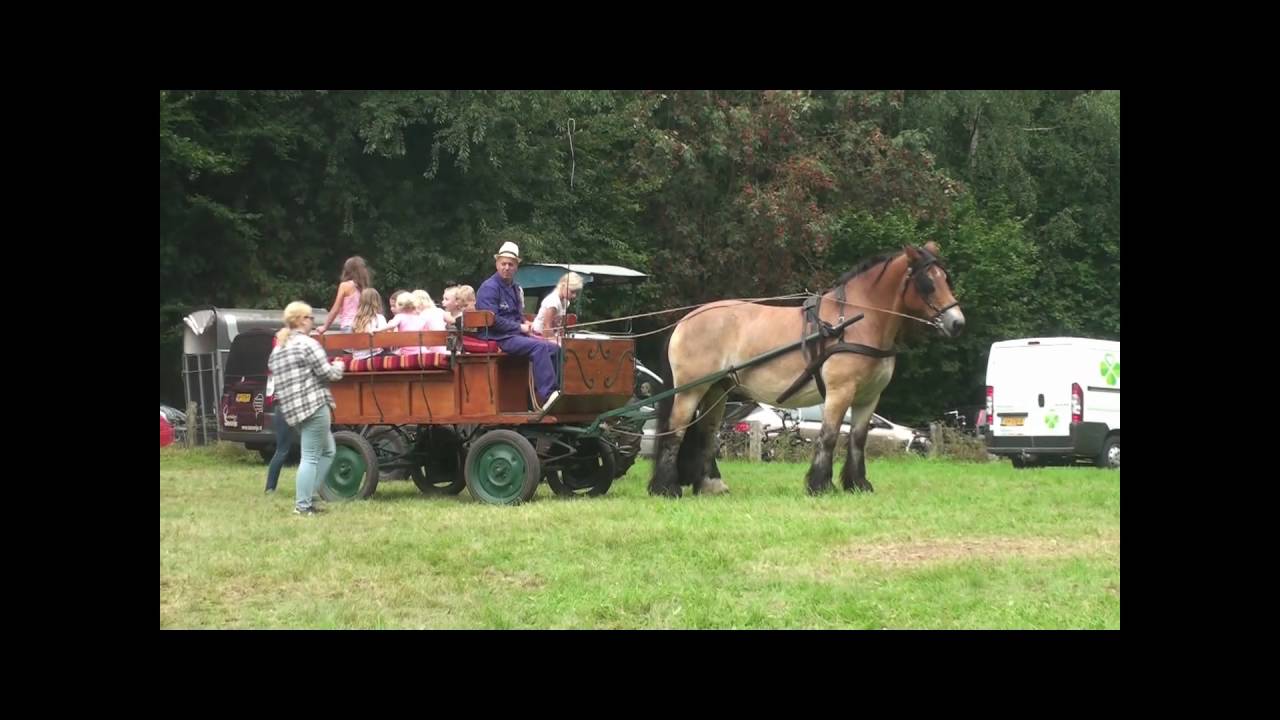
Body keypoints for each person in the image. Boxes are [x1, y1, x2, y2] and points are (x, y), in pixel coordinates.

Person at [267, 301, 345, 515]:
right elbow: (329, 374)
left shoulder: (278, 349)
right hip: (314, 406)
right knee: (310, 456)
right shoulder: (308, 344)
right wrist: (339, 364)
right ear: (301, 320)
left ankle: (309, 497)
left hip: (293, 411)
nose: (313, 321)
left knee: (328, 451)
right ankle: (302, 506)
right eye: (310, 317)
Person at [475, 241, 560, 411]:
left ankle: (558, 393)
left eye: (510, 264)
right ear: (497, 264)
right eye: (503, 264)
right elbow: (493, 320)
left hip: (513, 335)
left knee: (555, 349)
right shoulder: (489, 288)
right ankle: (548, 395)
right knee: (539, 348)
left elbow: (515, 314)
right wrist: (520, 328)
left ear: (516, 267)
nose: (506, 267)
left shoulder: (514, 288)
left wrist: (524, 322)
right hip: (498, 337)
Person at [317, 256, 371, 334]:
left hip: (349, 325)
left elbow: (335, 309)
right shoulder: (365, 288)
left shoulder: (345, 286)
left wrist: (325, 327)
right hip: (363, 327)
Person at [532, 271, 583, 342]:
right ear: (563, 285)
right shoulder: (553, 302)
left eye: (576, 292)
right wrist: (556, 341)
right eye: (572, 292)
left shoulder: (565, 302)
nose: (574, 296)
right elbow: (547, 327)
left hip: (552, 334)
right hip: (539, 335)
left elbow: (559, 325)